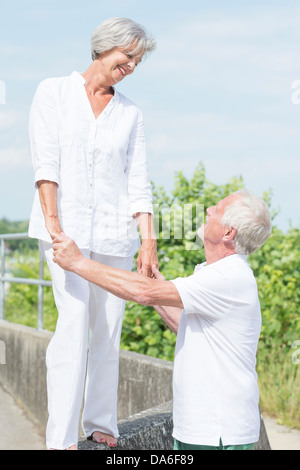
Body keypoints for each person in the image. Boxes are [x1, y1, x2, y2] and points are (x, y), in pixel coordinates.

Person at [52, 189, 272, 450]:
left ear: (228, 233)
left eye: (217, 209)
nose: (208, 210)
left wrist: (78, 263)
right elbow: (187, 327)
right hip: (204, 429)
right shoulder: (217, 273)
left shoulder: (228, 277)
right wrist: (157, 290)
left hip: (218, 432)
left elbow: (142, 293)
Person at [28, 17, 158, 450]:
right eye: (129, 56)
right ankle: (61, 439)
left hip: (115, 238)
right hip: (65, 238)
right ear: (105, 48)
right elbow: (46, 165)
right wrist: (55, 228)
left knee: (108, 329)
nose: (133, 66)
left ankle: (100, 423)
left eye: (138, 60)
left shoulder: (131, 113)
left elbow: (138, 182)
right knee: (73, 325)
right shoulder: (53, 93)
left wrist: (148, 240)